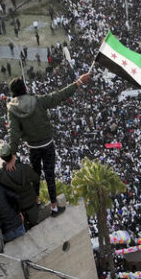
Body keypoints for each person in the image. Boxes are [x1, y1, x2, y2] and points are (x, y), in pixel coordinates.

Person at [6, 72, 91, 216]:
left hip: (33, 147)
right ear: (25, 88)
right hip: (47, 144)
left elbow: (13, 133)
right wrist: (78, 82)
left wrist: (12, 154)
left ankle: (36, 201)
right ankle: (54, 207)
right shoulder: (38, 100)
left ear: (13, 93)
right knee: (49, 175)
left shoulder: (12, 109)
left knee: (36, 175)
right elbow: (59, 96)